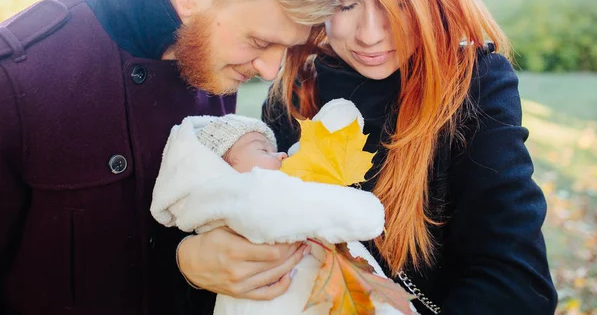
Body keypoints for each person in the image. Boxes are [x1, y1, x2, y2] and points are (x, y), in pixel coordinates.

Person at [0, 0, 345, 313]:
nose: (271, 71)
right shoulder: (18, 78)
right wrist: (182, 262)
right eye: (260, 41)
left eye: (287, 48)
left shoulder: (210, 56)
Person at [261, 0, 559, 314]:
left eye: (399, 2)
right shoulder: (295, 93)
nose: (370, 33)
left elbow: (517, 282)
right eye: (345, 3)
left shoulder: (475, 85)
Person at [150, 105, 408, 315]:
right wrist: (363, 211)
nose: (283, 156)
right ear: (218, 168)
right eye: (263, 150)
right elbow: (277, 203)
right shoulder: (244, 196)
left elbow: (303, 167)